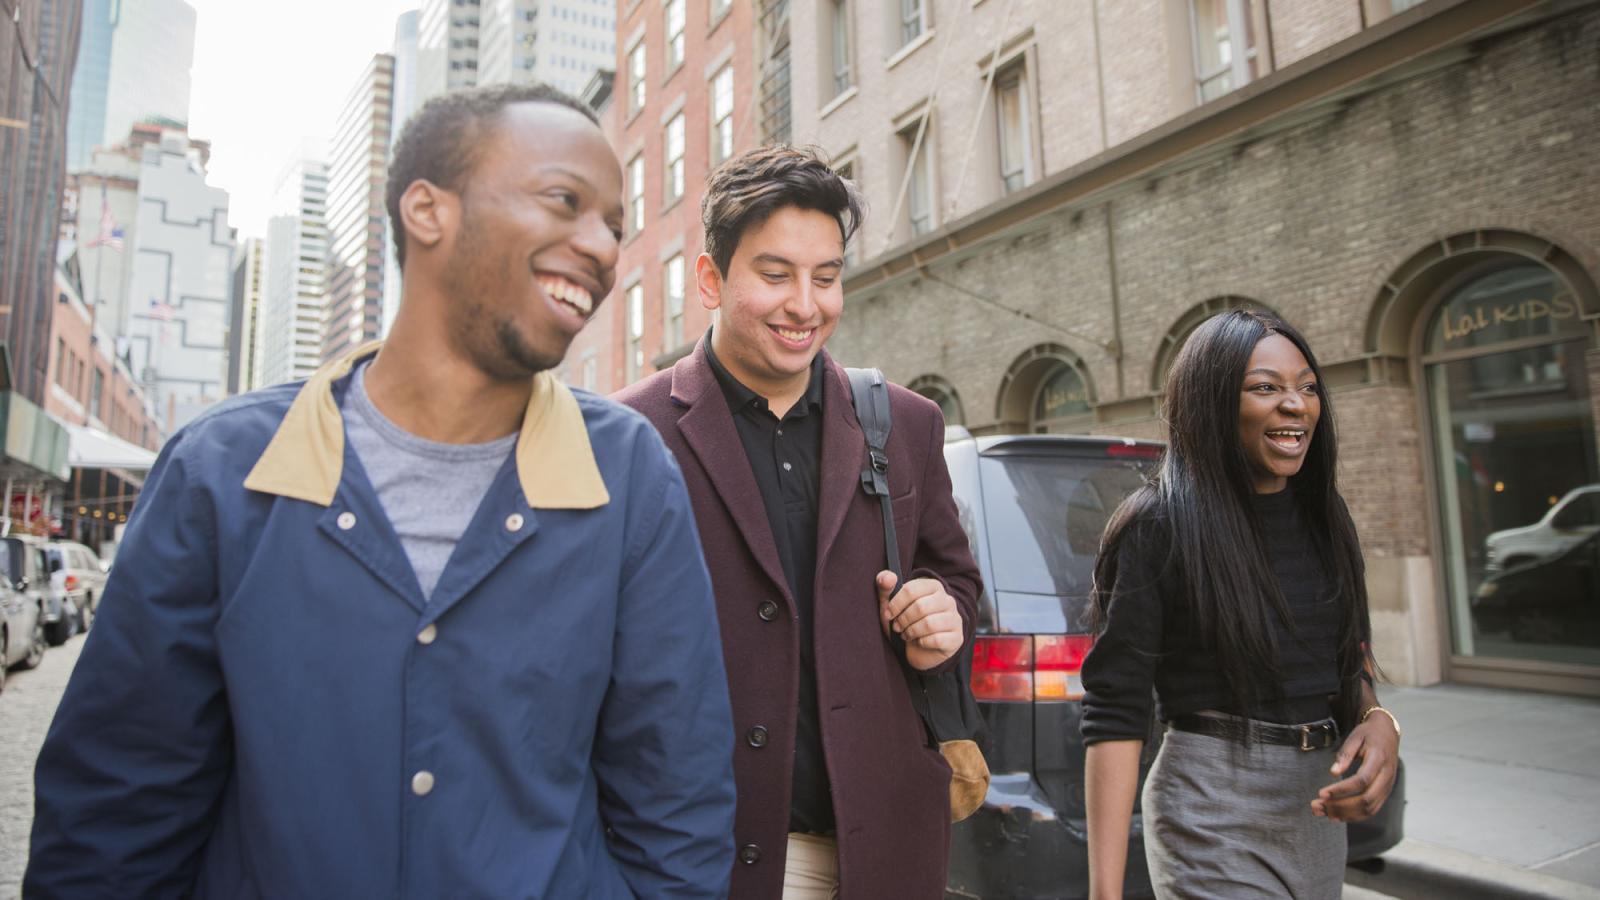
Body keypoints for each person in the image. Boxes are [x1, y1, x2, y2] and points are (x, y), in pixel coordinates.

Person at [25, 84, 736, 899]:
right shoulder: (218, 473)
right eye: (563, 201)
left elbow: (676, 804)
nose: (603, 246)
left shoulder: (631, 480)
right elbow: (116, 816)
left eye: (613, 223)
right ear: (427, 211)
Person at [615, 145, 982, 899]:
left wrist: (944, 619)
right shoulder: (630, 434)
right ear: (712, 279)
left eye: (827, 277)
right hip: (703, 859)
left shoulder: (906, 422)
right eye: (775, 275)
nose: (805, 305)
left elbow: (957, 583)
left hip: (884, 851)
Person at [1080, 309, 1401, 900]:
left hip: (1315, 809)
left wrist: (1380, 724)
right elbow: (1115, 710)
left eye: (1306, 387)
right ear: (1211, 404)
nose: (1295, 404)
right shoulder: (1159, 524)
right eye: (1265, 387)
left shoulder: (1325, 518)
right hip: (1210, 809)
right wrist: (1105, 893)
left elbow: (1345, 664)